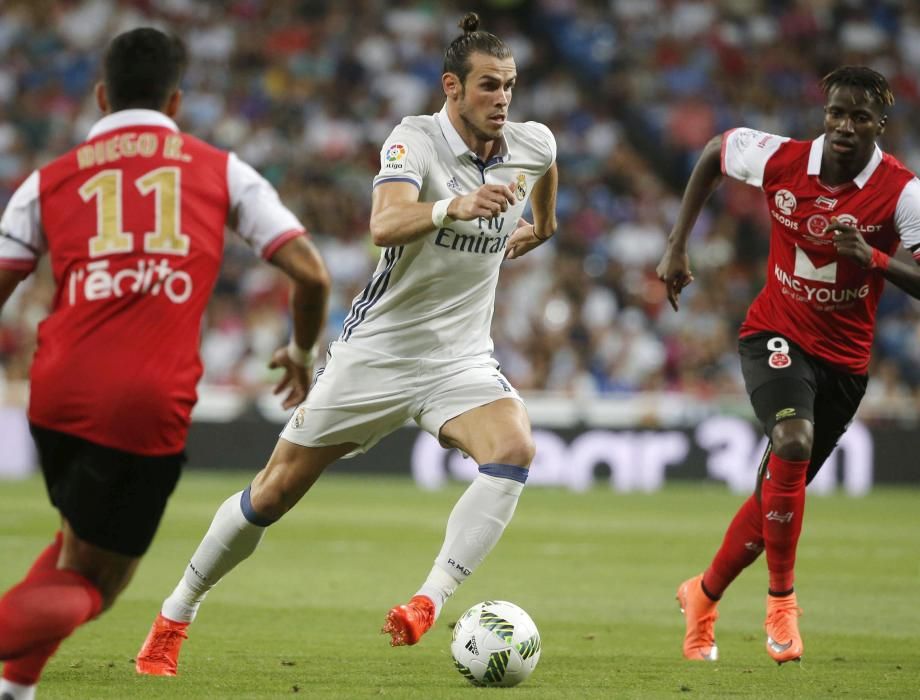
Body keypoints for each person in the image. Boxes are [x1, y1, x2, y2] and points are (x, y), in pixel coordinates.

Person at [135, 11, 558, 675]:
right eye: (487, 87)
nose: (502, 99)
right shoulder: (412, 142)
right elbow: (385, 223)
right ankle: (175, 614)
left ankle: (427, 600)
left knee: (513, 449)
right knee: (272, 494)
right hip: (376, 355)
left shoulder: (533, 143)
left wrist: (544, 223)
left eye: (508, 85)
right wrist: (453, 207)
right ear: (452, 87)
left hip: (460, 360)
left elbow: (546, 166)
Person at [0, 27, 330, 700]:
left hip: (55, 392)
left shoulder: (48, 180)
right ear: (177, 101)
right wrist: (299, 353)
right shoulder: (220, 169)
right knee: (97, 582)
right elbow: (313, 275)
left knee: (77, 540)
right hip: (144, 402)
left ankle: (16, 688)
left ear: (100, 96)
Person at [657, 65, 920, 665]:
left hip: (845, 365)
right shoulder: (780, 157)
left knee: (773, 496)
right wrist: (677, 243)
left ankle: (702, 595)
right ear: (823, 113)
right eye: (836, 113)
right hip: (773, 334)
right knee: (793, 441)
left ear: (881, 124)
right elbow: (714, 152)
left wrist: (876, 258)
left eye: (860, 117)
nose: (845, 126)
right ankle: (782, 603)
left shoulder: (904, 192)